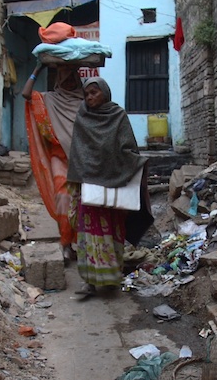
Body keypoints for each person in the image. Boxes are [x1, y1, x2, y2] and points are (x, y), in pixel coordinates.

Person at [66, 77, 153, 298]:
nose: (90, 97)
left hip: (114, 186)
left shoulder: (118, 115)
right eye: (86, 94)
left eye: (94, 92)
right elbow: (78, 152)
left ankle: (111, 279)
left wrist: (137, 163)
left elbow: (127, 148)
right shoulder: (82, 116)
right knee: (88, 236)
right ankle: (89, 283)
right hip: (89, 185)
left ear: (105, 92)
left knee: (111, 233)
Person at [22, 59, 84, 262]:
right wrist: (38, 68)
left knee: (86, 202)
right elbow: (26, 94)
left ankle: (83, 244)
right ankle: (66, 244)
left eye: (72, 79)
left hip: (83, 158)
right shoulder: (50, 99)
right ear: (58, 80)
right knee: (64, 198)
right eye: (65, 79)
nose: (69, 83)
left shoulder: (87, 100)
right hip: (60, 158)